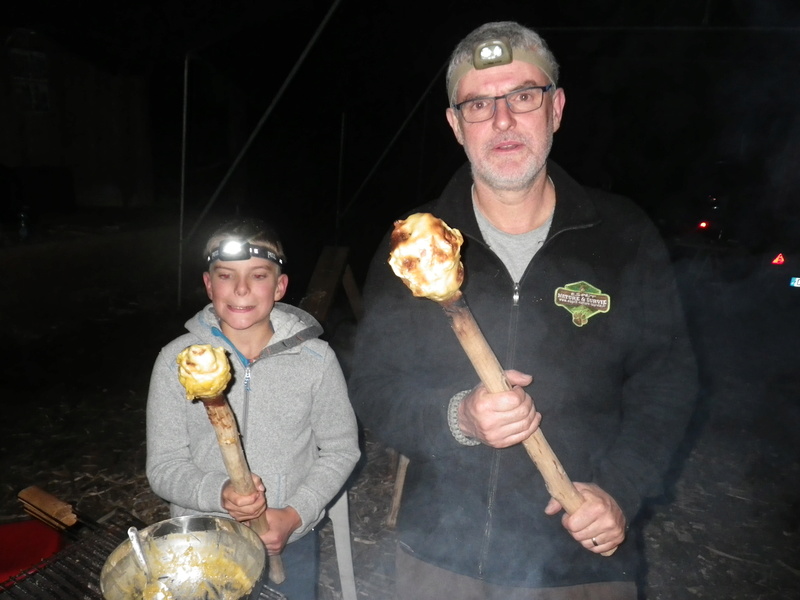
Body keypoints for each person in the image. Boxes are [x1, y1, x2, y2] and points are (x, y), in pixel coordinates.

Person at [349, 21, 698, 599]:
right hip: (442, 559)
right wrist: (458, 419)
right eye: (479, 104)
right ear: (455, 125)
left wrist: (620, 491)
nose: (503, 120)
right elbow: (374, 386)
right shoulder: (415, 247)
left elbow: (667, 382)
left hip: (581, 561)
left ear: (556, 109)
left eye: (523, 96)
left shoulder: (621, 235)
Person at [147, 218, 361, 600]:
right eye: (226, 276)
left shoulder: (315, 360)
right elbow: (163, 467)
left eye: (258, 275)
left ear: (280, 287)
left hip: (288, 539)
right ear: (209, 284)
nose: (241, 288)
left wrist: (294, 515)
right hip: (202, 541)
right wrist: (218, 492)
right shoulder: (177, 361)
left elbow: (341, 449)